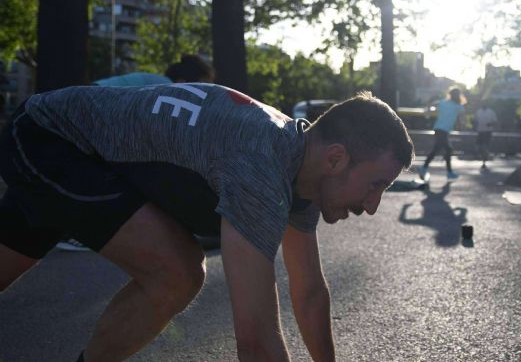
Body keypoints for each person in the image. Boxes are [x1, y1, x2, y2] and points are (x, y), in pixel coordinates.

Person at [0, 83, 413, 361]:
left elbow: (309, 293)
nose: (373, 205)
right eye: (376, 185)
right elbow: (256, 342)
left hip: (70, 142)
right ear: (336, 158)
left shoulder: (301, 166)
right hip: (49, 138)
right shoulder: (261, 167)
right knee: (177, 272)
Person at [56, 54, 216, 252]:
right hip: (87, 118)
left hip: (78, 112)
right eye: (201, 85)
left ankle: (74, 230)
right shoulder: (167, 89)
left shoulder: (155, 82)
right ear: (184, 82)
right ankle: (80, 233)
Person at [418, 87, 466, 181]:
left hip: (439, 129)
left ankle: (425, 168)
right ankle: (447, 172)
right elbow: (462, 117)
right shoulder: (458, 106)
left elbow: (432, 103)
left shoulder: (443, 102)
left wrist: (427, 112)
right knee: (447, 149)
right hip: (442, 130)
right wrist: (462, 124)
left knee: (438, 150)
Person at [473, 101, 498, 169]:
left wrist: (490, 124)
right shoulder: (478, 112)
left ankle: (484, 161)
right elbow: (475, 121)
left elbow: (495, 121)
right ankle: (483, 156)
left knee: (485, 146)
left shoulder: (491, 112)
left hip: (487, 132)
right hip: (480, 131)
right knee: (479, 146)